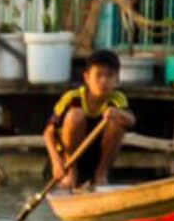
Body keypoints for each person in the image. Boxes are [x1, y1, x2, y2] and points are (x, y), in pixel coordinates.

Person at [44, 48, 136, 191]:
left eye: (109, 76)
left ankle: (100, 175)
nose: (104, 81)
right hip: (69, 158)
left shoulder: (117, 99)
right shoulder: (72, 98)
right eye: (98, 75)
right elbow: (48, 133)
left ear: (117, 79)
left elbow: (131, 121)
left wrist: (118, 114)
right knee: (75, 116)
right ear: (87, 78)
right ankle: (71, 174)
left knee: (118, 122)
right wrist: (56, 162)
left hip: (96, 157)